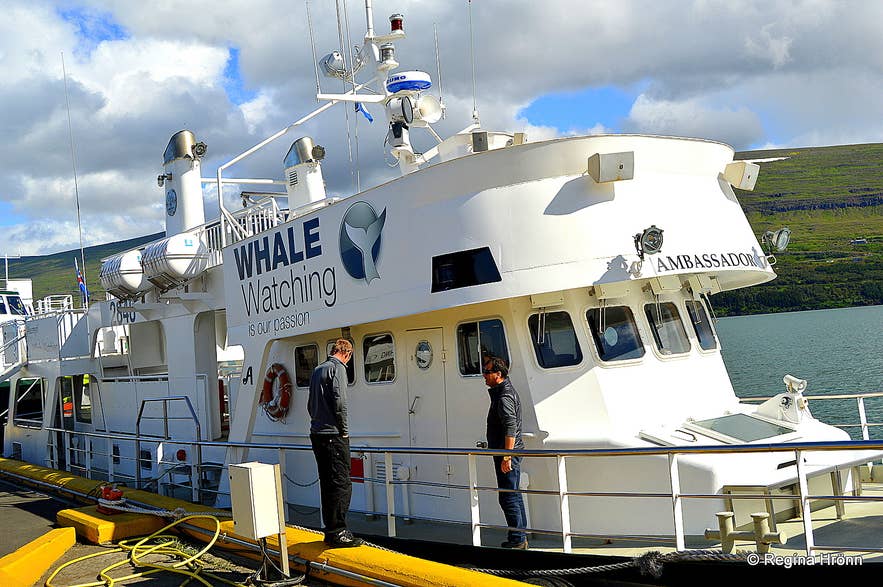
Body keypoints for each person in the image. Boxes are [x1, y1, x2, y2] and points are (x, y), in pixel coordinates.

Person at [308, 338, 363, 547]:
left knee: (327, 482)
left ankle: (330, 529)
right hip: (333, 435)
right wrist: (344, 432)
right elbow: (340, 401)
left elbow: (309, 405)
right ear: (347, 354)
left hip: (317, 434)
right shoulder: (337, 369)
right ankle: (339, 532)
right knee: (341, 482)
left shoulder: (317, 370)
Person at [482, 355, 528, 549]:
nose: (483, 376)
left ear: (498, 374)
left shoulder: (504, 396)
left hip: (508, 454)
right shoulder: (503, 392)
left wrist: (506, 456)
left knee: (508, 496)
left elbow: (510, 426)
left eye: (487, 372)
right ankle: (519, 537)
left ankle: (517, 539)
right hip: (507, 452)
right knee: (513, 494)